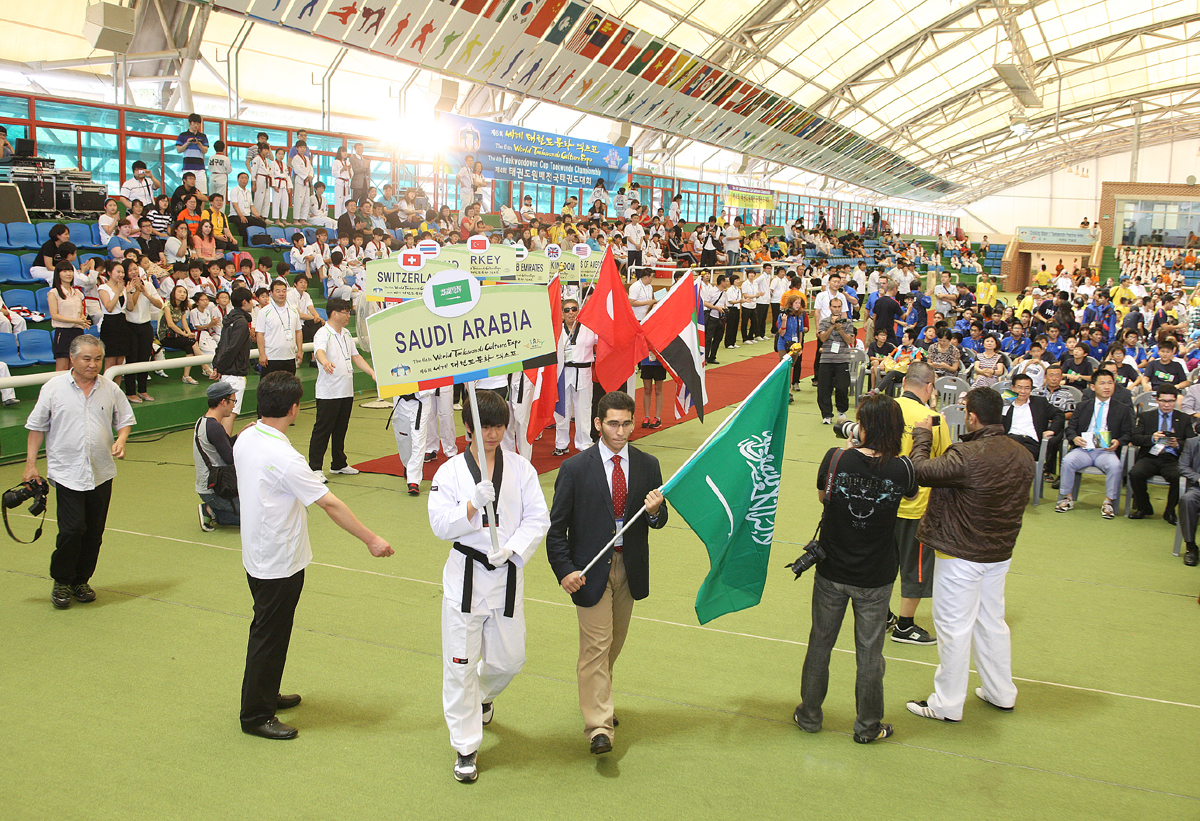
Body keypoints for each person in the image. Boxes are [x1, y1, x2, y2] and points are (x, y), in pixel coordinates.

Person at [236, 372, 393, 740]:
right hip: (277, 560)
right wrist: (371, 539)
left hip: (260, 553)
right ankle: (256, 714)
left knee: (273, 631)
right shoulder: (285, 457)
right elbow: (330, 504)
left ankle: (266, 693)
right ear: (293, 408)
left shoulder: (247, 436)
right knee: (269, 635)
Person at [427, 390, 550, 783]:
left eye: (499, 426)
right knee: (460, 665)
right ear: (469, 430)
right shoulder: (449, 473)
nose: (493, 434)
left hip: (506, 573)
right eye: (486, 427)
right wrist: (471, 507)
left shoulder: (521, 469)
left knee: (510, 660)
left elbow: (538, 518)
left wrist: (512, 548)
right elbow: (440, 526)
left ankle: (481, 696)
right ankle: (465, 748)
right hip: (465, 575)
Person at [546, 391, 668, 756]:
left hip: (628, 570)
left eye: (627, 423)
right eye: (613, 423)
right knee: (596, 648)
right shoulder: (574, 469)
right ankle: (599, 726)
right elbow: (557, 530)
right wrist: (564, 570)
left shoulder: (648, 465)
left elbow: (659, 522)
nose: (621, 430)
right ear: (598, 424)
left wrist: (653, 512)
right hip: (589, 572)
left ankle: (600, 697)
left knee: (613, 644)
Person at [905, 387, 1034, 723]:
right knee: (991, 623)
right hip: (999, 553)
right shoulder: (1023, 454)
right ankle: (1000, 691)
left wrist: (921, 434)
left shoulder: (966, 455)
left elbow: (919, 469)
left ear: (972, 417)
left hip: (960, 554)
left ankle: (947, 703)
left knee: (953, 628)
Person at [794, 394, 917, 743]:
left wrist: (851, 451)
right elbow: (909, 496)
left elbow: (824, 498)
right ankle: (867, 726)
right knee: (869, 653)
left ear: (864, 426)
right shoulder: (902, 467)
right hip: (876, 577)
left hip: (832, 570)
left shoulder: (836, 459)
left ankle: (809, 715)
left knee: (820, 643)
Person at [23, 335, 136, 609]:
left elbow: (125, 420)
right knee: (72, 530)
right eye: (87, 359)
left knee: (94, 533)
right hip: (67, 472)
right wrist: (30, 464)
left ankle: (81, 580)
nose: (93, 364)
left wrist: (121, 439)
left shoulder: (109, 389)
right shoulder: (53, 388)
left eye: (97, 359)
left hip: (101, 472)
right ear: (72, 358)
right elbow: (37, 427)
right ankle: (61, 580)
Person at [889, 362, 950, 646]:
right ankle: (905, 625)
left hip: (880, 502)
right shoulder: (933, 419)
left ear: (903, 383)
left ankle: (881, 614)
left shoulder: (883, 410)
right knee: (915, 567)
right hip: (916, 507)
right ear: (929, 386)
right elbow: (944, 462)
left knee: (881, 560)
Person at [308, 298, 374, 480]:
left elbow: (356, 356)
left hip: (346, 390)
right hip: (329, 392)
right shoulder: (323, 333)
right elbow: (319, 351)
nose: (348, 316)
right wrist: (325, 362)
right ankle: (315, 468)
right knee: (323, 429)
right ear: (334, 313)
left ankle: (338, 463)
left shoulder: (345, 334)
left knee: (341, 429)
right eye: (345, 312)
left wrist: (371, 372)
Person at [1055, 369, 1135, 518]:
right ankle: (1067, 497)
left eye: (1110, 383)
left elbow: (1128, 433)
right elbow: (1070, 428)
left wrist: (1119, 441)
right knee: (1068, 461)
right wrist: (1074, 438)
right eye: (1102, 383)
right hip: (1084, 448)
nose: (1107, 387)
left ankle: (1108, 502)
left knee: (1115, 465)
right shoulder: (1083, 406)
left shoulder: (1122, 408)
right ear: (1093, 387)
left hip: (1106, 451)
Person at [1127, 385, 1191, 524]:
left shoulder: (1184, 419)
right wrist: (1151, 438)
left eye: (1171, 401)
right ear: (1157, 400)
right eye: (1163, 401)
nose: (1167, 405)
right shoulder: (1146, 416)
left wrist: (1177, 444)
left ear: (1176, 401)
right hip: (1150, 456)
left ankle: (1169, 511)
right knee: (1135, 473)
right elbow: (1135, 438)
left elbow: (1192, 443)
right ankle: (1144, 507)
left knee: (1178, 477)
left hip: (1172, 458)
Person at [195, 381, 241, 531]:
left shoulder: (204, 421)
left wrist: (240, 435)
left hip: (211, 486)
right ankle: (212, 511)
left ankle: (214, 510)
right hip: (217, 489)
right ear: (223, 402)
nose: (234, 405)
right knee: (256, 517)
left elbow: (224, 445)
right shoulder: (215, 427)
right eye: (233, 401)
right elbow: (230, 458)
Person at [554, 298, 596, 456]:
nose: (571, 312)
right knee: (562, 411)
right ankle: (561, 443)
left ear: (579, 311)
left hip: (583, 373)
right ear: (562, 314)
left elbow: (605, 341)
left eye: (574, 309)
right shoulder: (557, 330)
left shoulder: (589, 328)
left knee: (583, 409)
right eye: (567, 310)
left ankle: (584, 443)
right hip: (563, 373)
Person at [210, 288, 256, 431]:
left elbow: (222, 345)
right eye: (250, 300)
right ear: (244, 302)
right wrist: (220, 367)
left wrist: (217, 367)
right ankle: (225, 448)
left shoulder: (229, 319)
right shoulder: (241, 322)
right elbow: (232, 348)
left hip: (226, 373)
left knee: (224, 413)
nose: (253, 303)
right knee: (230, 413)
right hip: (234, 374)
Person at [1002, 373, 1063, 460]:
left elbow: (1059, 414)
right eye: (1019, 387)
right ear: (1013, 388)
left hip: (1031, 443)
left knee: (1014, 456)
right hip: (1010, 440)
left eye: (1027, 388)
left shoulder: (1039, 402)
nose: (1023, 391)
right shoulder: (1006, 402)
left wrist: (1052, 430)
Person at [816, 296, 855, 424]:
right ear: (830, 308)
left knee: (842, 387)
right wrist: (832, 327)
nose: (837, 309)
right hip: (826, 359)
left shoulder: (848, 323)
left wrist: (840, 329)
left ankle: (842, 411)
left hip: (842, 359)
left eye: (839, 307)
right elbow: (822, 338)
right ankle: (827, 415)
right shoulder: (824, 322)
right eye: (834, 307)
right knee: (824, 389)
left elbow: (849, 340)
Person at [256, 279, 302, 376]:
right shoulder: (264, 312)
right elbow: (259, 334)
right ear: (271, 293)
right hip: (271, 357)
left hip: (289, 356)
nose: (281, 294)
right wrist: (262, 354)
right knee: (270, 389)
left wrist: (300, 351)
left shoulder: (293, 310)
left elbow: (298, 331)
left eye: (284, 291)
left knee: (289, 389)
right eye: (278, 291)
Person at [175, 114, 209, 194]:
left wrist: (199, 143)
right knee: (187, 192)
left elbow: (205, 150)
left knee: (201, 192)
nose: (196, 125)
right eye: (194, 123)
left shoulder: (203, 136)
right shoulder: (183, 135)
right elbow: (179, 150)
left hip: (200, 167)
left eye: (198, 123)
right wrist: (187, 143)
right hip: (187, 167)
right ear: (190, 123)